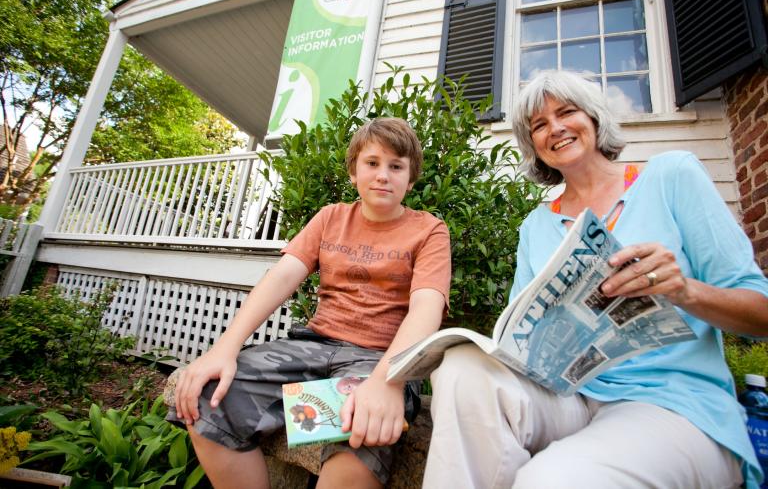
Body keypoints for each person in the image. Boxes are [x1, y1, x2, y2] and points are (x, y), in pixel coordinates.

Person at [423, 70, 768, 489]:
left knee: (548, 482)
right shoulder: (536, 225)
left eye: (567, 112)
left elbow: (760, 314)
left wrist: (684, 290)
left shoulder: (671, 176)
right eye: (539, 125)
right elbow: (519, 343)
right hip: (571, 397)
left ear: (594, 117)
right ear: (533, 145)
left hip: (673, 405)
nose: (556, 128)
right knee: (462, 369)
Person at [169, 117, 451, 489]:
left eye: (396, 166)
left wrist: (386, 382)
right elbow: (281, 278)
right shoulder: (330, 217)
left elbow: (426, 309)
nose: (383, 175)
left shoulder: (429, 230)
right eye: (372, 163)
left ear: (410, 180)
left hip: (379, 358)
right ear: (354, 172)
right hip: (313, 347)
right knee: (208, 398)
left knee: (363, 427)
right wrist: (225, 348)